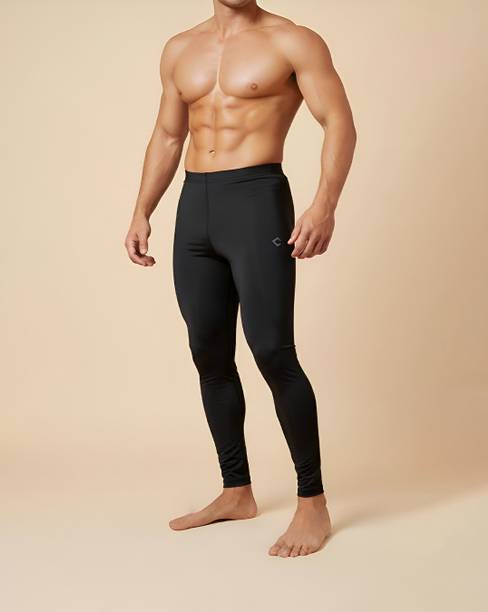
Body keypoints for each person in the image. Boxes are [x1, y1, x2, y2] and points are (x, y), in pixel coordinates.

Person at [124, 0, 356, 558]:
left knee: (273, 351)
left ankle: (312, 502)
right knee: (208, 351)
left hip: (256, 201)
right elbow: (168, 135)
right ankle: (236, 491)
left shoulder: (292, 40)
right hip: (194, 207)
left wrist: (324, 205)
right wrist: (141, 210)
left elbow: (339, 122)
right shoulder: (180, 48)